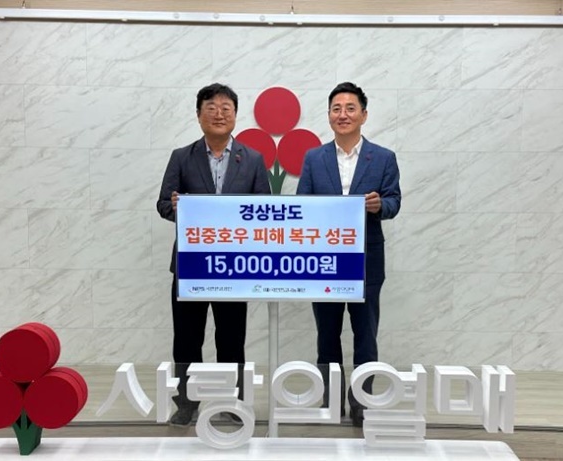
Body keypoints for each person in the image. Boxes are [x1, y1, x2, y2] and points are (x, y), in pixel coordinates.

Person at [156, 83, 271, 426]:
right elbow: (163, 204)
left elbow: (263, 209)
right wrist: (177, 207)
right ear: (198, 115)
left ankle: (232, 402)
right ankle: (186, 403)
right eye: (211, 107)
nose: (219, 114)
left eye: (226, 108)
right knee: (186, 338)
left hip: (234, 266)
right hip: (191, 265)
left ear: (235, 115)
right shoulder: (182, 156)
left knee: (231, 338)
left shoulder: (253, 159)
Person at [296, 82, 401, 427]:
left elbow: (394, 202)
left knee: (365, 336)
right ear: (329, 115)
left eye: (350, 108)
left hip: (366, 261)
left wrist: (379, 205)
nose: (343, 114)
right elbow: (302, 205)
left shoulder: (383, 157)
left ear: (364, 115)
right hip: (324, 261)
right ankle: (331, 401)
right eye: (336, 108)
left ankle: (362, 402)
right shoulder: (314, 158)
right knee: (326, 336)